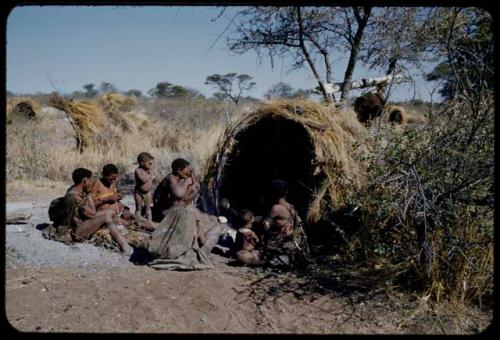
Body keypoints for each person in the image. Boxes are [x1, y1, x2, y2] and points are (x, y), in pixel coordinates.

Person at [147, 158, 224, 270]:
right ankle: (199, 243)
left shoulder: (179, 180)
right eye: (186, 171)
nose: (188, 174)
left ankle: (200, 239)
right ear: (178, 170)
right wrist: (188, 183)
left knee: (205, 219)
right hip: (165, 213)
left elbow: (184, 199)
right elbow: (179, 195)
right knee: (194, 219)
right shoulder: (171, 178)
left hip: (176, 210)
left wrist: (194, 188)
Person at [53, 168, 133, 256]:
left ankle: (120, 228)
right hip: (76, 231)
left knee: (110, 211)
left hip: (83, 221)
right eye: (90, 180)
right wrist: (90, 194)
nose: (92, 182)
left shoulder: (75, 189)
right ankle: (124, 245)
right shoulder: (75, 197)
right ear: (84, 181)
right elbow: (92, 214)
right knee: (106, 217)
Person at [262, 179, 310, 267]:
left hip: (279, 246)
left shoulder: (276, 208)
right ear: (287, 192)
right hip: (290, 245)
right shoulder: (291, 207)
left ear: (273, 193)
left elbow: (266, 226)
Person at [92, 163, 155, 231]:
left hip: (120, 210)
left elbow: (114, 196)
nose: (113, 181)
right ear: (104, 175)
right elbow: (91, 205)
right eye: (111, 179)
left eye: (115, 178)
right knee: (128, 224)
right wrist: (106, 199)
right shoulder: (97, 184)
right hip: (109, 214)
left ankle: (155, 229)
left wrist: (118, 196)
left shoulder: (113, 183)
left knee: (136, 218)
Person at [135, 152, 154, 224]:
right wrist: (149, 174)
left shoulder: (148, 171)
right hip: (139, 192)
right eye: (149, 164)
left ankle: (149, 222)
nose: (151, 165)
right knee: (138, 207)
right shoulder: (138, 171)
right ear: (142, 163)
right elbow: (143, 180)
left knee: (148, 207)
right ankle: (138, 222)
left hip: (148, 192)